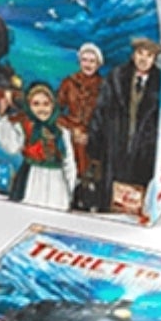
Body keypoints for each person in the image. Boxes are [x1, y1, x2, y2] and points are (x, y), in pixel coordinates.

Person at [90, 37, 161, 215]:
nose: (143, 59)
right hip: (114, 150)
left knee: (135, 205)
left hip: (144, 154)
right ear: (133, 54)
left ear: (154, 58)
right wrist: (95, 148)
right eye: (140, 53)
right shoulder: (116, 77)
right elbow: (100, 112)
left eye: (149, 55)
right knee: (109, 203)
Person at [0, 81, 79, 211]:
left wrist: (69, 189)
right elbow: (12, 147)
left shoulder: (62, 131)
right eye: (36, 104)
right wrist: (2, 118)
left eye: (46, 104)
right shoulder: (25, 126)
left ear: (53, 105)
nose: (41, 109)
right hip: (32, 177)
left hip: (56, 181)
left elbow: (69, 161)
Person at [57, 44, 106, 209]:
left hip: (94, 135)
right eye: (85, 60)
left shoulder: (104, 86)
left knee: (91, 168)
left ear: (98, 64)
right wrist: (70, 130)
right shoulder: (69, 83)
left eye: (92, 61)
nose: (88, 64)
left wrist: (91, 134)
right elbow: (56, 110)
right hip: (70, 131)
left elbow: (108, 117)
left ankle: (88, 198)